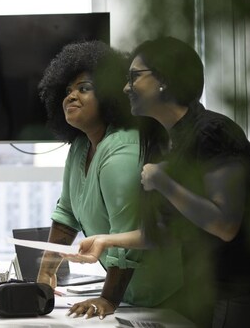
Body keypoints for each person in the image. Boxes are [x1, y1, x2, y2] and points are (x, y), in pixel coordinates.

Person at [63, 36, 250, 327]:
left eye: (134, 77)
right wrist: (106, 241)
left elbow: (225, 225)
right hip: (203, 289)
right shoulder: (168, 142)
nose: (126, 87)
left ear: (165, 79)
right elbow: (167, 231)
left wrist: (164, 182)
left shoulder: (214, 131)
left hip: (241, 288)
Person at [35, 41, 184, 320]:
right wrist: (45, 275)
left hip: (165, 300)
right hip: (132, 298)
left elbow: (126, 231)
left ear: (108, 96)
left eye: (84, 88)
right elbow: (66, 216)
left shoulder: (122, 150)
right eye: (67, 91)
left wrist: (107, 298)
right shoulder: (80, 146)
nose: (71, 96)